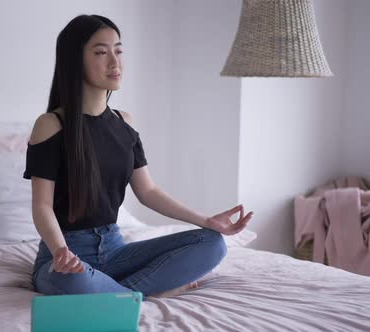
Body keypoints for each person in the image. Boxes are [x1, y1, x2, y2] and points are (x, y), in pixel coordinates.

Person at [23, 14, 253, 299]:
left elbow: (148, 191)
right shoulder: (51, 124)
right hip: (66, 255)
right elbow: (42, 205)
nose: (114, 62)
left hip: (115, 250)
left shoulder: (125, 123)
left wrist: (206, 220)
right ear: (74, 60)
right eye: (100, 52)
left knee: (212, 244)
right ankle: (147, 292)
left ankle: (119, 295)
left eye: (118, 50)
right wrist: (60, 251)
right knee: (73, 282)